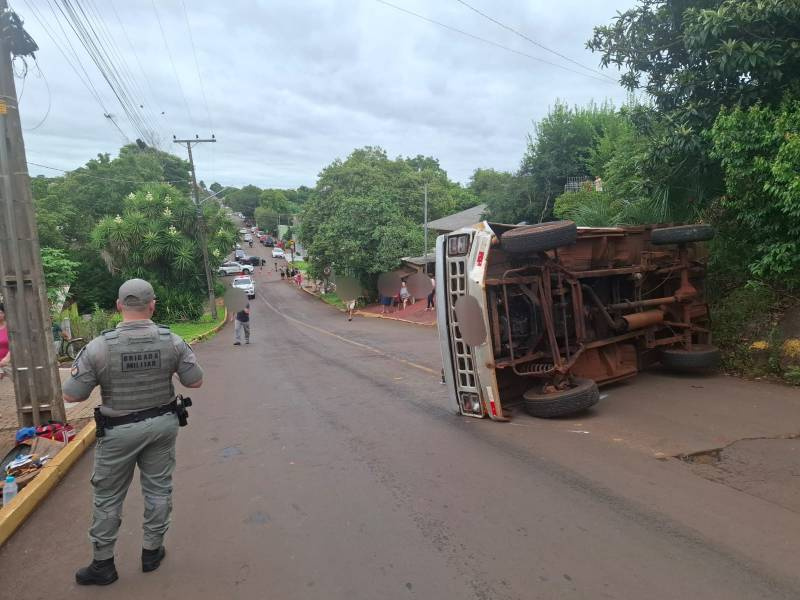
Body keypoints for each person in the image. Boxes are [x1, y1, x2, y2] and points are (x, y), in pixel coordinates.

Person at [63, 279, 203, 586]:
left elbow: (72, 395)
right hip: (162, 425)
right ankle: (152, 552)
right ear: (152, 305)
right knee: (158, 488)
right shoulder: (172, 340)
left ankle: (103, 565)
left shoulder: (99, 347)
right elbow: (194, 381)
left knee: (108, 496)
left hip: (118, 432)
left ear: (118, 306)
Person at [0, 302, 10, 380]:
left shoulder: (10, 327)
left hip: (9, 363)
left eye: (0, 312)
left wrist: (7, 358)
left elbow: (15, 345)